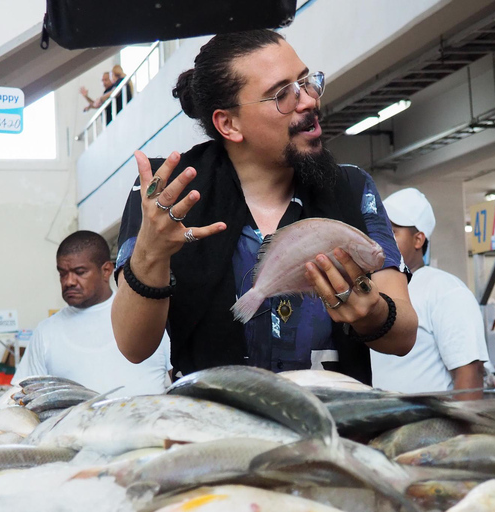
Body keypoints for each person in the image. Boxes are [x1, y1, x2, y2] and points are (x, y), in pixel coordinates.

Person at [112, 30, 417, 383]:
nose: (308, 101)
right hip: (216, 426)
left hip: (332, 428)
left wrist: (373, 313)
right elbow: (133, 347)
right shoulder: (165, 196)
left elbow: (404, 335)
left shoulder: (350, 187)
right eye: (282, 94)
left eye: (306, 82)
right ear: (229, 123)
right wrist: (152, 253)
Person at [12, 231, 171, 397]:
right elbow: (22, 397)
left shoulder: (148, 315)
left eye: (79, 272)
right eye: (62, 273)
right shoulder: (45, 332)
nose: (69, 281)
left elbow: (181, 383)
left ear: (106, 270)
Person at [374, 188, 488, 399]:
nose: (381, 239)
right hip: (372, 426)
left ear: (418, 240)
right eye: (378, 230)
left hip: (424, 428)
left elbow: (470, 373)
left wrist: (459, 430)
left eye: (392, 232)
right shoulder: (370, 288)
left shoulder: (445, 290)